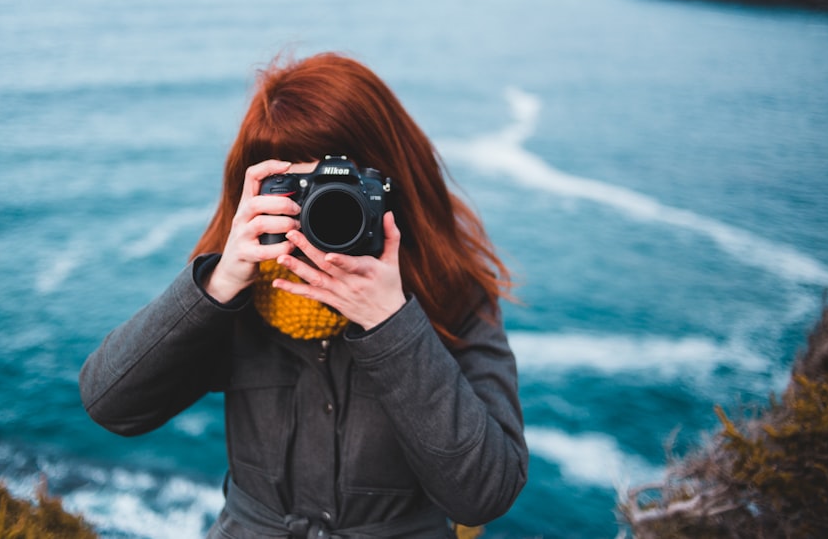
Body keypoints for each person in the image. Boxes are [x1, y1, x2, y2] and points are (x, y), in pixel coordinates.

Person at [79, 52, 528, 538]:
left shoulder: (451, 292)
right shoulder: (239, 294)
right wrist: (219, 283)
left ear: (392, 183)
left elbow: (486, 494)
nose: (323, 211)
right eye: (298, 191)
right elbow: (110, 405)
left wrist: (392, 326)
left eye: (345, 191)